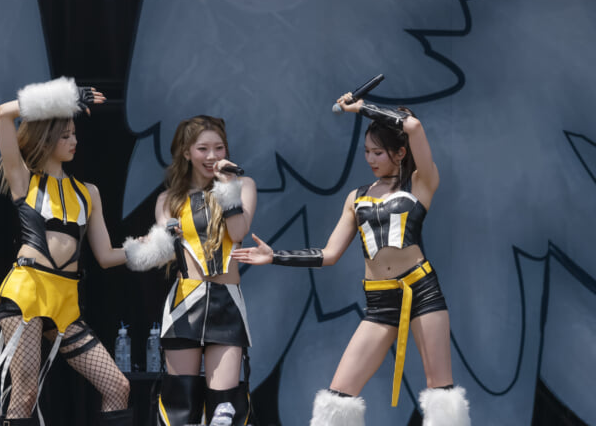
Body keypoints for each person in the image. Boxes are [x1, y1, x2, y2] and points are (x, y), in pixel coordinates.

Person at [231, 94, 471, 426]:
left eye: (378, 152)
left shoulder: (421, 183)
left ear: (401, 153)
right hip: (380, 300)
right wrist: (275, 256)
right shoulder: (356, 198)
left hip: (421, 291)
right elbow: (329, 254)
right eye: (367, 152)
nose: (370, 159)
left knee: (441, 394)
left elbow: (413, 126)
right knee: (339, 397)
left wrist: (361, 108)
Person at [0, 77, 132, 426]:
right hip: (27, 293)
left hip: (66, 302)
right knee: (25, 394)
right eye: (65, 135)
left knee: (117, 386)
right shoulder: (24, 180)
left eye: (74, 134)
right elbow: (4, 114)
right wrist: (66, 96)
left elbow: (106, 256)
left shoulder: (88, 192)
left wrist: (156, 247)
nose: (73, 141)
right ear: (46, 138)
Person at [123, 115, 257, 426]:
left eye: (219, 148)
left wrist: (227, 188)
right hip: (186, 301)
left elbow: (238, 232)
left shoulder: (242, 186)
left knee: (225, 409)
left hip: (227, 302)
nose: (212, 156)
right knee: (180, 407)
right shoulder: (168, 199)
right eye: (203, 149)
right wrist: (150, 243)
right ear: (186, 153)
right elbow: (163, 250)